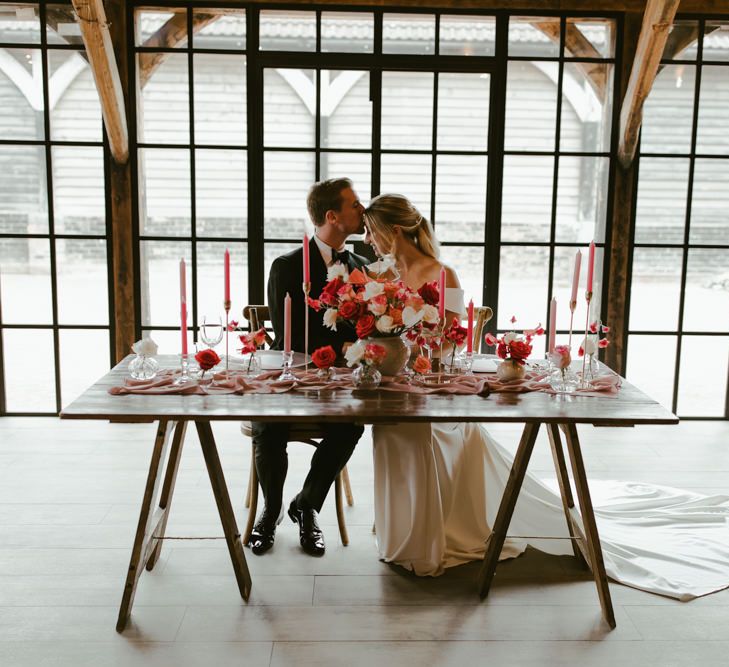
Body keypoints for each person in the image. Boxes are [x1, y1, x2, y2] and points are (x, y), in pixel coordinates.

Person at [363, 193, 729, 600]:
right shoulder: (379, 275)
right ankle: (402, 536)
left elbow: (455, 337)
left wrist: (424, 353)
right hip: (397, 381)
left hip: (434, 381)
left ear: (394, 230)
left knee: (421, 432)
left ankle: (433, 538)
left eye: (370, 230)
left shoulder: (443, 273)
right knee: (390, 428)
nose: (366, 239)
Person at [248, 178, 370, 557]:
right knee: (268, 426)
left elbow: (367, 326)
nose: (362, 210)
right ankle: (269, 512)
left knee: (351, 426)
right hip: (294, 376)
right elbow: (287, 337)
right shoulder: (285, 266)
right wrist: (342, 346)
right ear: (332, 216)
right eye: (354, 204)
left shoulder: (361, 267)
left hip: (340, 383)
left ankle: (307, 505)